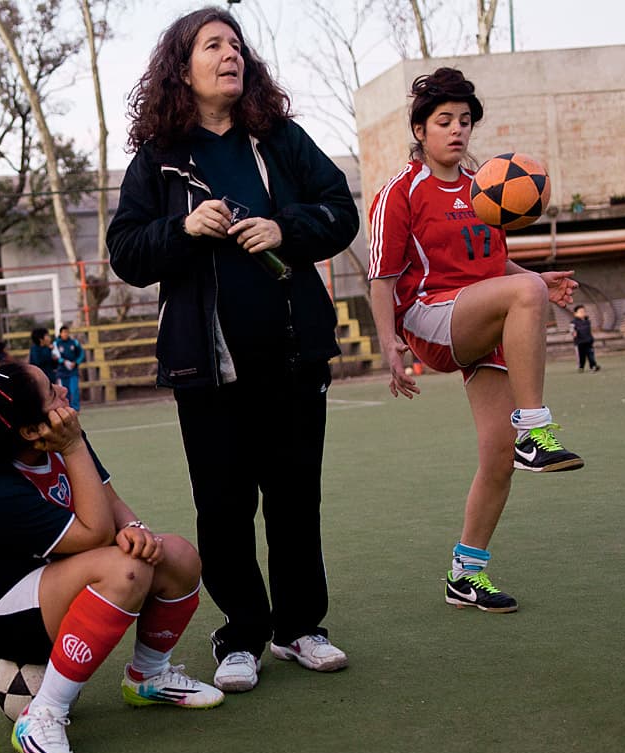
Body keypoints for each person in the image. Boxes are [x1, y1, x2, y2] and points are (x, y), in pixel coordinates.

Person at [106, 7, 358, 693]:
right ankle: (241, 634)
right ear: (181, 66)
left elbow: (341, 210)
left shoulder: (279, 140)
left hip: (296, 358)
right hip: (206, 370)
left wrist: (284, 228)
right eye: (213, 44)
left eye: (237, 45)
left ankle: (301, 628)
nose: (231, 53)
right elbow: (126, 252)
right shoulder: (157, 160)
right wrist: (184, 228)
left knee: (295, 498)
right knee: (223, 506)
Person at [366, 67, 584, 615]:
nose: (457, 130)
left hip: (480, 317)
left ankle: (466, 574)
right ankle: (536, 428)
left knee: (498, 459)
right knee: (524, 292)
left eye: (464, 121)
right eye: (444, 121)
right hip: (430, 319)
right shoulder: (400, 193)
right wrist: (389, 344)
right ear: (420, 129)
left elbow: (488, 265)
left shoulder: (485, 187)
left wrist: (535, 276)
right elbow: (382, 278)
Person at [0, 363, 223, 753]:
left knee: (176, 554)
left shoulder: (62, 434)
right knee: (126, 570)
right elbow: (94, 534)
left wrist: (136, 529)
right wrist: (73, 452)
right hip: (3, 614)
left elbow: (109, 501)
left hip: (62, 578)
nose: (63, 392)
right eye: (52, 392)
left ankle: (149, 676)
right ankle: (41, 717)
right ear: (32, 432)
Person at [53, 325, 85, 410]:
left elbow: (81, 354)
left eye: (67, 332)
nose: (65, 334)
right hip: (62, 371)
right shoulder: (56, 343)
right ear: (60, 333)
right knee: (64, 392)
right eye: (63, 332)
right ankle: (67, 408)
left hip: (73, 370)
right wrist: (62, 361)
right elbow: (54, 355)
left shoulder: (74, 342)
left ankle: (76, 408)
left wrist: (76, 362)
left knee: (74, 390)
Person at [571, 305, 600, 372]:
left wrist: (591, 338)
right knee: (582, 356)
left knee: (591, 354)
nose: (583, 313)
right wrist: (573, 333)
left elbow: (589, 331)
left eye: (584, 311)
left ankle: (593, 366)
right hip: (579, 342)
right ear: (575, 314)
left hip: (588, 341)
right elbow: (572, 330)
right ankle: (581, 367)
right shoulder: (573, 322)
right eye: (580, 312)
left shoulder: (587, 321)